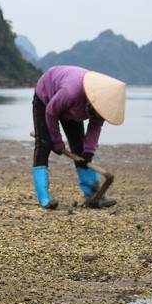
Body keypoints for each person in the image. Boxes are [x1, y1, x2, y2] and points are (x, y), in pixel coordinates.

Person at [32, 66, 125, 209]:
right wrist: (56, 141)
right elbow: (51, 112)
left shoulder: (102, 104)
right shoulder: (71, 93)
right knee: (44, 145)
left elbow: (95, 127)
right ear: (90, 101)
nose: (97, 117)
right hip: (47, 97)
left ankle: (93, 195)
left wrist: (89, 152)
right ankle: (44, 198)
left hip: (72, 108)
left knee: (80, 149)